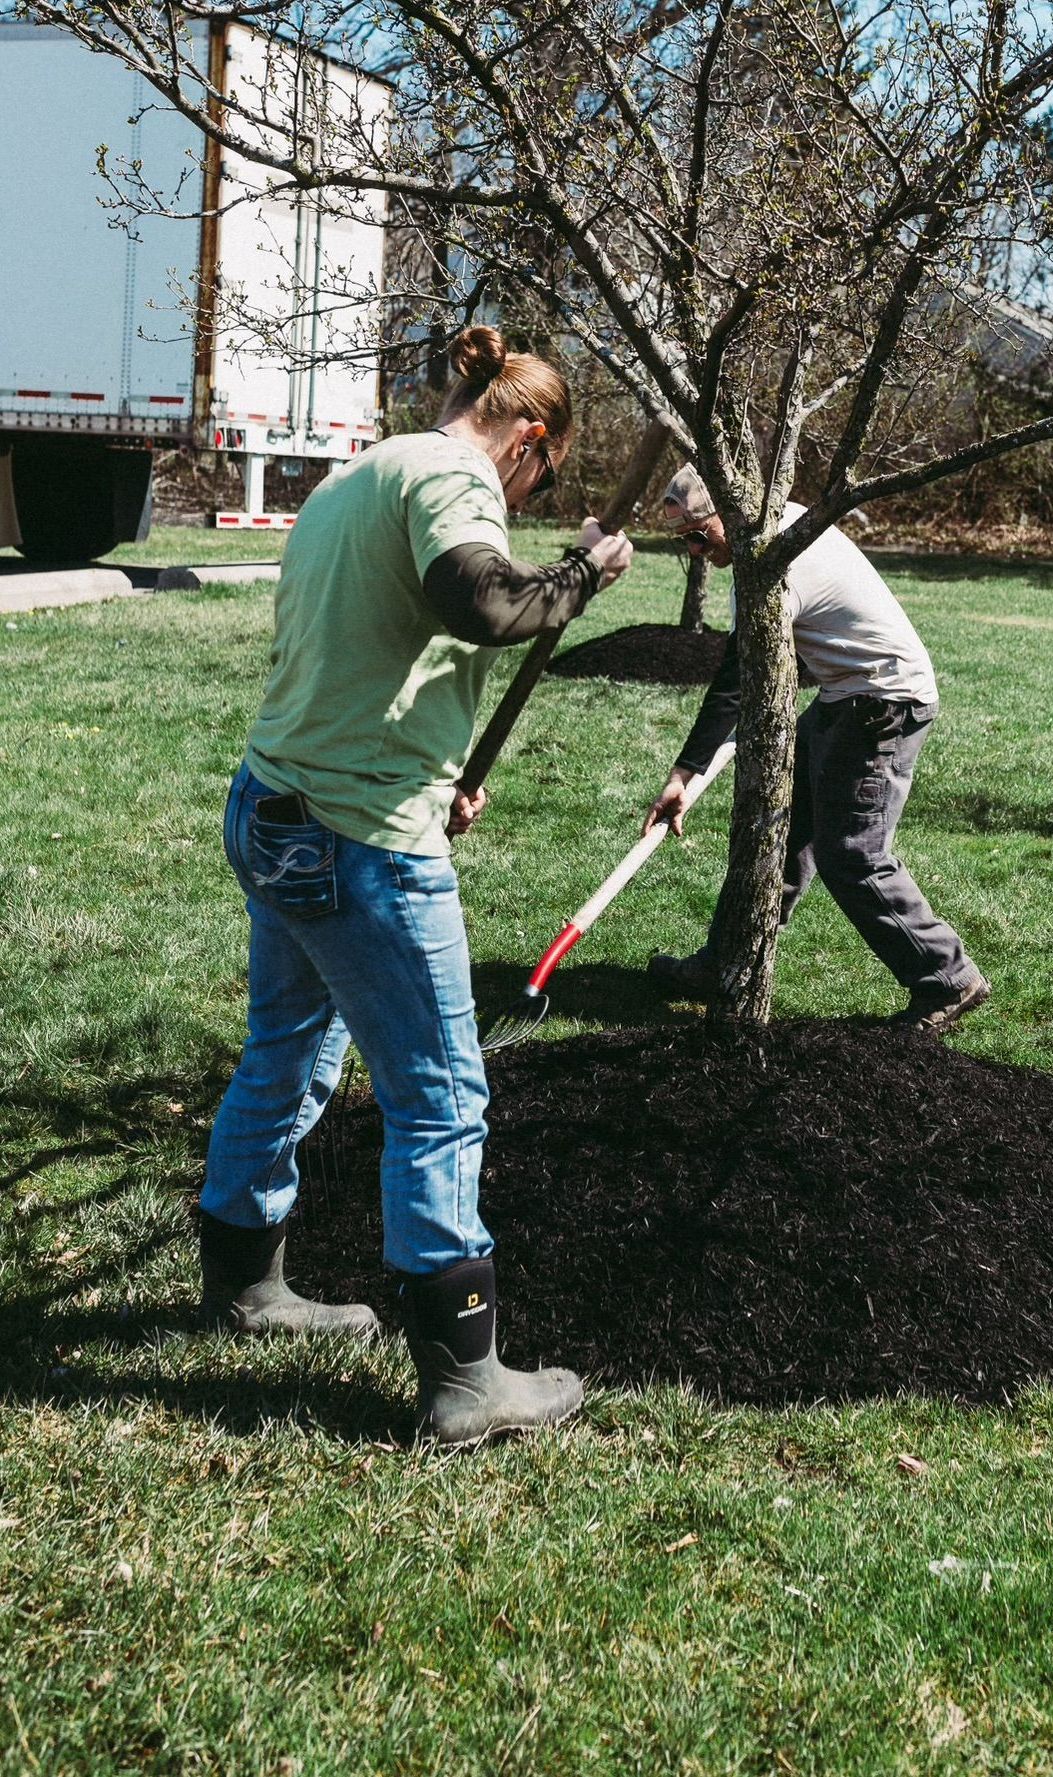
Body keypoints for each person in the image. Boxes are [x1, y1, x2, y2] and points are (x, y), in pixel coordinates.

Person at [198, 326, 633, 1445]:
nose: (532, 495)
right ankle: (464, 1380)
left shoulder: (366, 471)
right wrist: (584, 572)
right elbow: (480, 604)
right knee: (441, 1094)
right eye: (543, 473)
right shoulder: (452, 475)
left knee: (286, 1048)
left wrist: (434, 767)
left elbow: (374, 643)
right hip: (361, 838)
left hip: (277, 802)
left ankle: (246, 1285)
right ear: (525, 438)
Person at [644, 466, 989, 1032]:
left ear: (729, 513)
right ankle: (728, 962)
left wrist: (684, 774)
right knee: (778, 832)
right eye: (682, 541)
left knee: (852, 854)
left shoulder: (779, 562)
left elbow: (739, 677)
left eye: (698, 536)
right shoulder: (770, 535)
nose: (694, 551)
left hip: (883, 703)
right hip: (845, 695)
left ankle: (946, 977)